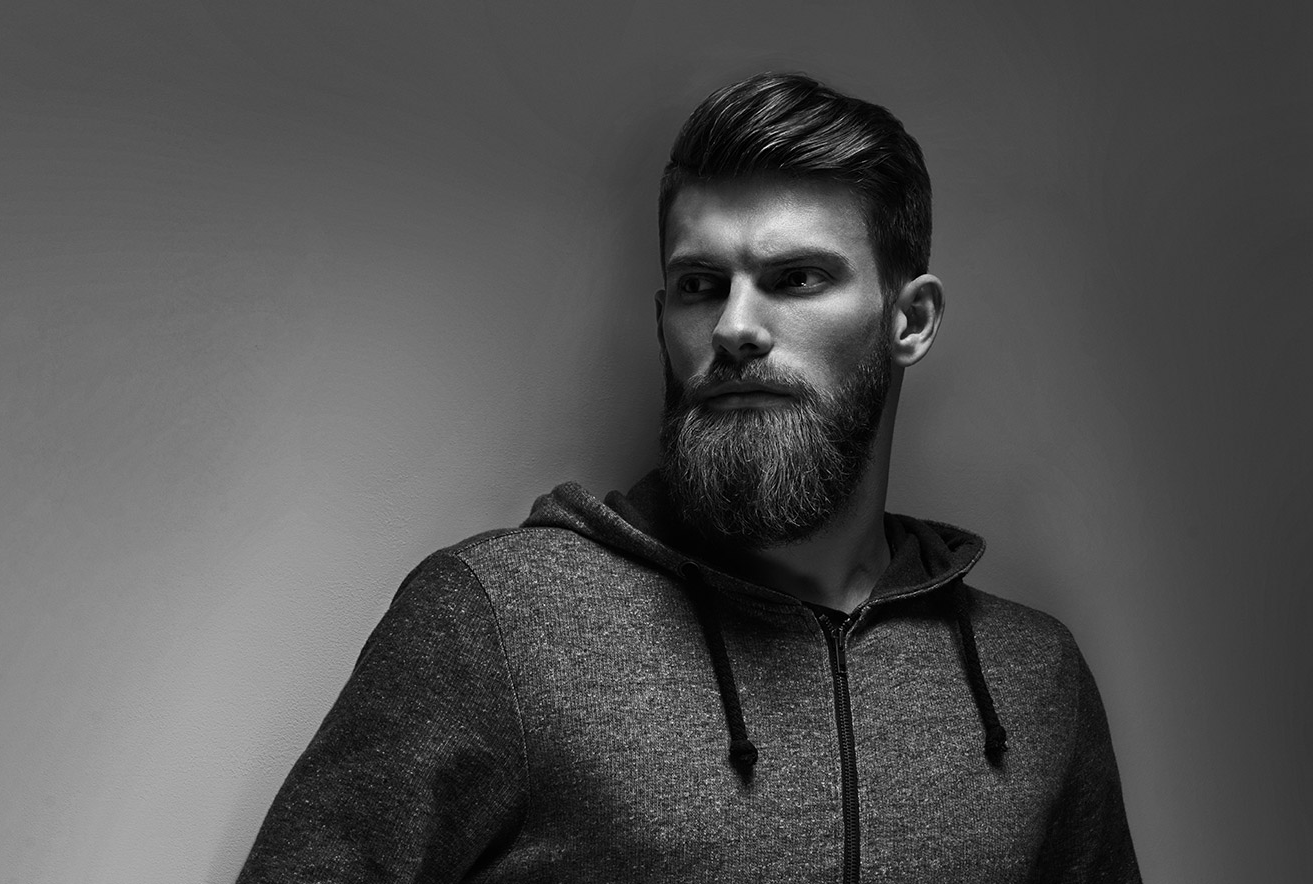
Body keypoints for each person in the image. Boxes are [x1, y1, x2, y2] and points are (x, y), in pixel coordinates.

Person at [238, 72, 1140, 883]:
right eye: (702, 285)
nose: (736, 327)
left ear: (910, 321)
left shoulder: (1033, 678)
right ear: (663, 317)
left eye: (796, 278)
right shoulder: (500, 623)